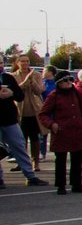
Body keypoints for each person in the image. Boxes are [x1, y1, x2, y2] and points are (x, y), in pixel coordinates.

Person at [37, 72, 82, 195]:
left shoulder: (77, 94)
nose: (68, 83)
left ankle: (77, 184)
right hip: (61, 132)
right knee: (61, 161)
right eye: (65, 80)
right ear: (59, 83)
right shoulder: (54, 96)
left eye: (70, 80)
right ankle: (61, 185)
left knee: (77, 159)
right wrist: (52, 124)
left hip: (78, 130)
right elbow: (43, 114)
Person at [0, 59, 48, 188]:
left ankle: (30, 176)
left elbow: (19, 96)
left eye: (1, 63)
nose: (1, 65)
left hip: (10, 120)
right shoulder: (13, 75)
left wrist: (11, 93)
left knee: (20, 146)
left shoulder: (7, 78)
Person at [11, 54, 45, 172]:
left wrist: (32, 81)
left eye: (27, 61)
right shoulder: (13, 76)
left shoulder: (36, 74)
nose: (25, 64)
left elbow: (39, 91)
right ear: (18, 63)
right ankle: (22, 162)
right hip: (20, 110)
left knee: (35, 138)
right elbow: (14, 91)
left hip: (34, 109)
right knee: (21, 139)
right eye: (23, 61)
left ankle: (35, 162)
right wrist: (25, 81)